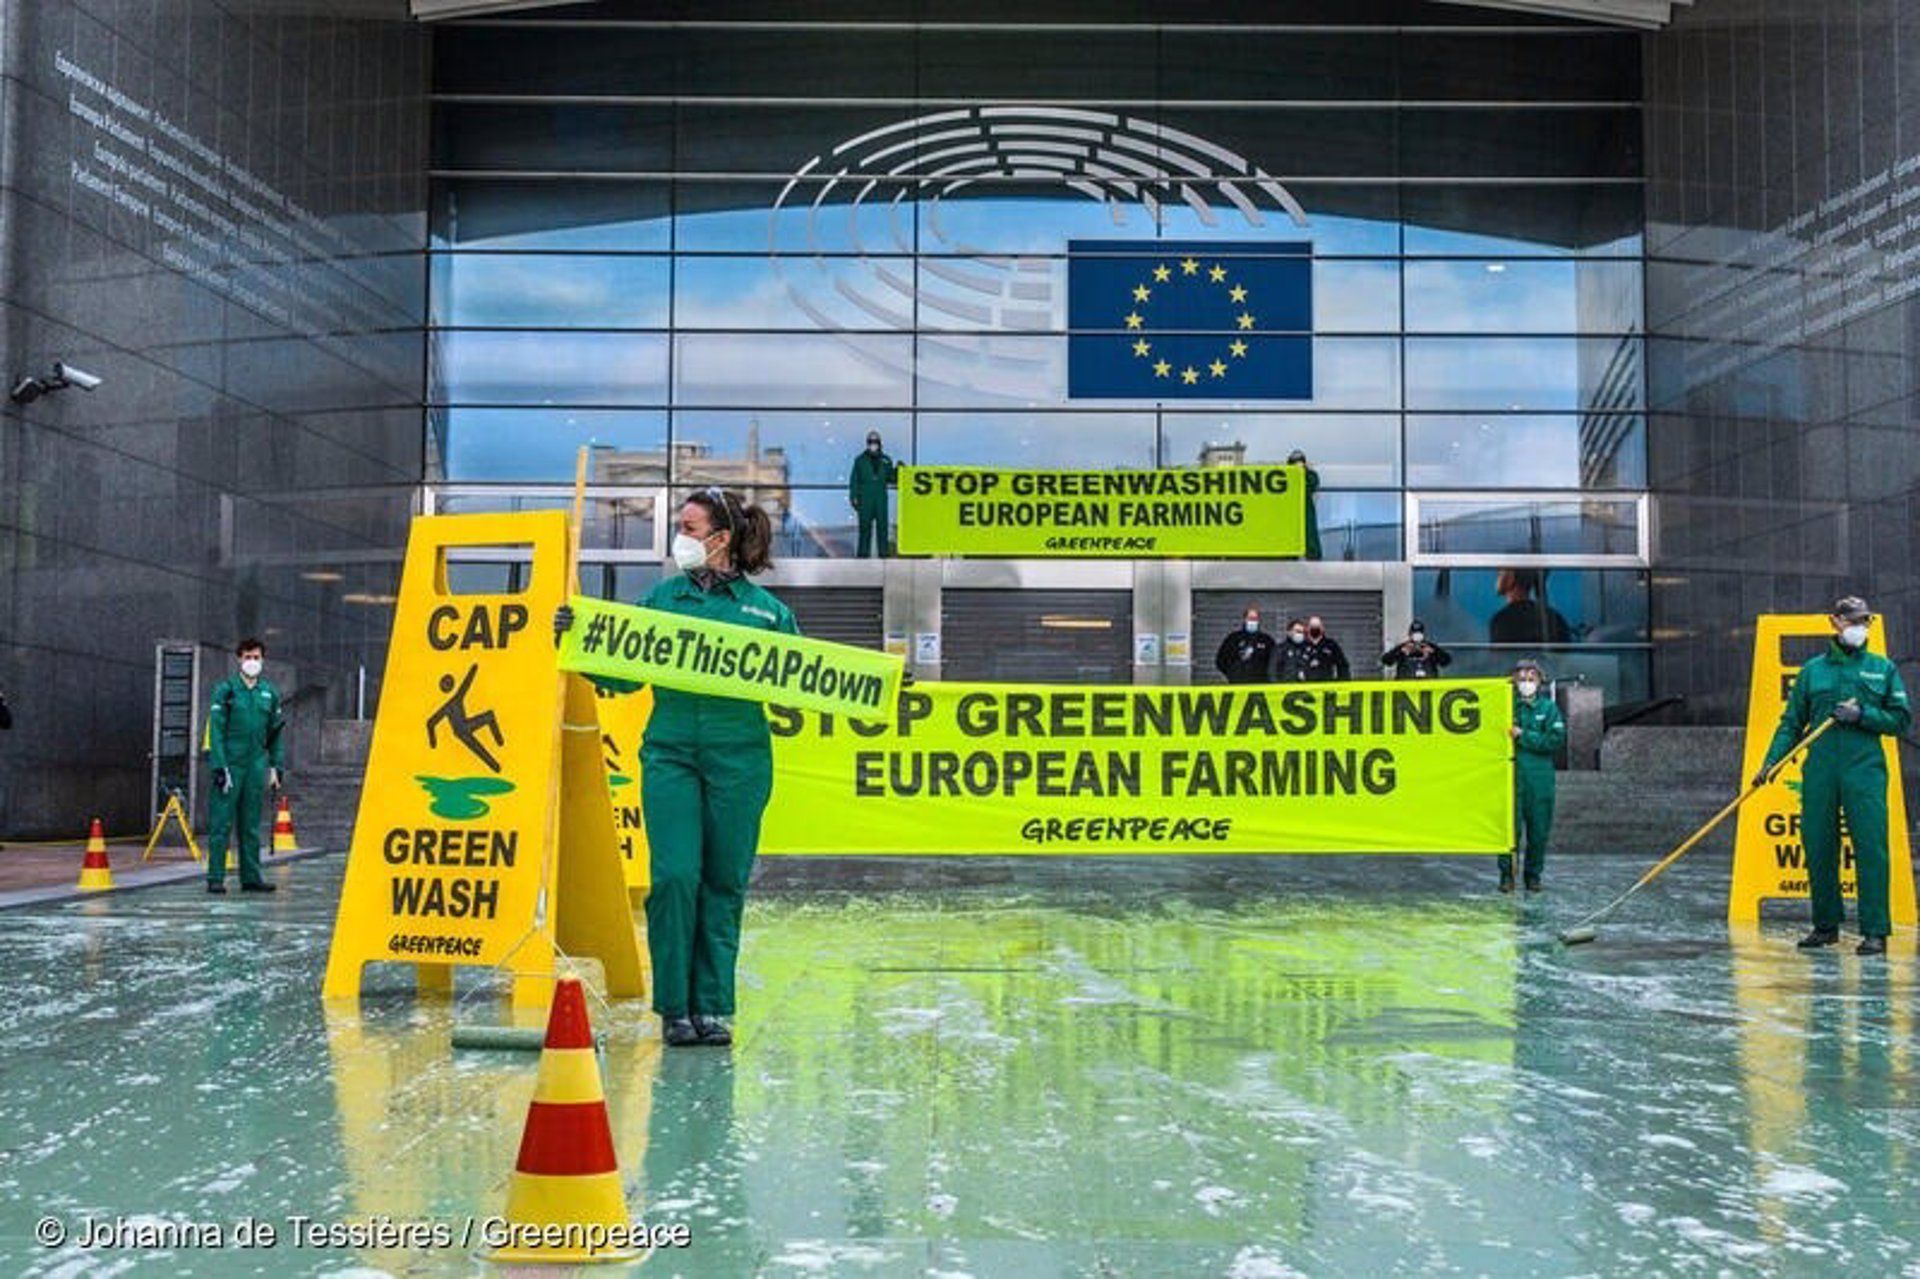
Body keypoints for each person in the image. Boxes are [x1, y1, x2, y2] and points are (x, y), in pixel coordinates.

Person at [556, 487, 796, 1046]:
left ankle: (710, 1006)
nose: (680, 538)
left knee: (722, 882)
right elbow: (621, 675)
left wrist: (873, 687)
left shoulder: (768, 613)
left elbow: (804, 686)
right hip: (670, 755)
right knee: (673, 878)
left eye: (689, 528)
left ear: (722, 537)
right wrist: (577, 641)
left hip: (740, 762)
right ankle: (675, 1008)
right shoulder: (661, 601)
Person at [1755, 596, 1910, 956]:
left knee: (1871, 848)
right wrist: (1771, 763)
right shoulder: (1813, 671)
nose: (1860, 627)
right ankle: (1825, 926)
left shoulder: (1882, 668)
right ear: (1835, 622)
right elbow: (1791, 723)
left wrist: (1864, 716)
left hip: (1865, 770)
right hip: (1821, 770)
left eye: (1865, 621)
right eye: (1853, 620)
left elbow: (1901, 719)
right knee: (1819, 845)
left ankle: (1875, 931)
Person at [205, 638, 285, 895]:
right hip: (231, 765)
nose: (252, 662)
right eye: (248, 657)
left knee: (250, 824)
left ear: (263, 660)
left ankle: (251, 877)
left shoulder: (269, 694)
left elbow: (276, 733)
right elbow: (215, 730)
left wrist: (275, 766)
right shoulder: (226, 691)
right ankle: (215, 877)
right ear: (239, 659)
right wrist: (219, 765)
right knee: (221, 823)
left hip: (255, 766)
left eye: (257, 657)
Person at [1501, 659, 1563, 893]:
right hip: (1510, 778)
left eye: (1531, 678)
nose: (1526, 683)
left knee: (1538, 831)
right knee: (1508, 832)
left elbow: (1555, 740)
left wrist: (1524, 736)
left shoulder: (1549, 709)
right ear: (1514, 681)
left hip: (1539, 780)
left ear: (1539, 681)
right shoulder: (1506, 707)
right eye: (1522, 678)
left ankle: (1533, 877)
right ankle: (1507, 876)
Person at [1489, 568, 1571, 645]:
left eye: (1499, 573)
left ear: (1510, 578)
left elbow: (1500, 657)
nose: (1497, 579)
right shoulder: (1555, 618)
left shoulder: (1501, 620)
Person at [848, 429, 897, 558]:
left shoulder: (886, 460)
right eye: (870, 442)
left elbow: (891, 478)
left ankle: (884, 555)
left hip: (880, 498)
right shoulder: (860, 460)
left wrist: (899, 471)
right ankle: (863, 556)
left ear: (880, 443)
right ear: (867, 443)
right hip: (865, 498)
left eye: (875, 442)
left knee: (882, 528)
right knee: (865, 529)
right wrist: (854, 496)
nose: (873, 444)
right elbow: (854, 480)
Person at [1215, 603, 1276, 684]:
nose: (1253, 621)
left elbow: (1274, 662)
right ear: (1245, 619)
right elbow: (1221, 660)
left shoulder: (1266, 640)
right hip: (1238, 684)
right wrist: (1232, 674)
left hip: (1260, 684)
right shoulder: (1233, 638)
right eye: (1250, 618)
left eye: (1255, 619)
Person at [1382, 621, 1451, 680]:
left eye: (1419, 633)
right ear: (1410, 635)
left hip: (1427, 686)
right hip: (1406, 686)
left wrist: (1434, 652)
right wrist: (1399, 652)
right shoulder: (1404, 647)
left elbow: (1446, 661)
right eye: (1414, 633)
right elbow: (1386, 660)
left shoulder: (1430, 647)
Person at [1288, 449, 1321, 561]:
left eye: (1300, 462)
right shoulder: (1286, 478)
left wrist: (1304, 471)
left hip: (1304, 518)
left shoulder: (1309, 477)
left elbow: (1313, 481)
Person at [1299, 615, 1350, 683]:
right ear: (1307, 628)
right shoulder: (1302, 646)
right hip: (1307, 687)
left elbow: (1342, 666)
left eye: (1317, 626)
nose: (1315, 628)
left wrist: (1341, 685)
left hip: (1327, 686)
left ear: (1322, 628)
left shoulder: (1331, 645)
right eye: (1313, 626)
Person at [1273, 618, 1313, 683]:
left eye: (1302, 632)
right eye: (1297, 631)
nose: (1300, 634)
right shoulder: (1280, 649)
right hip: (1285, 688)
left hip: (1305, 689)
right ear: (1289, 632)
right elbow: (1272, 672)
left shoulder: (1309, 649)